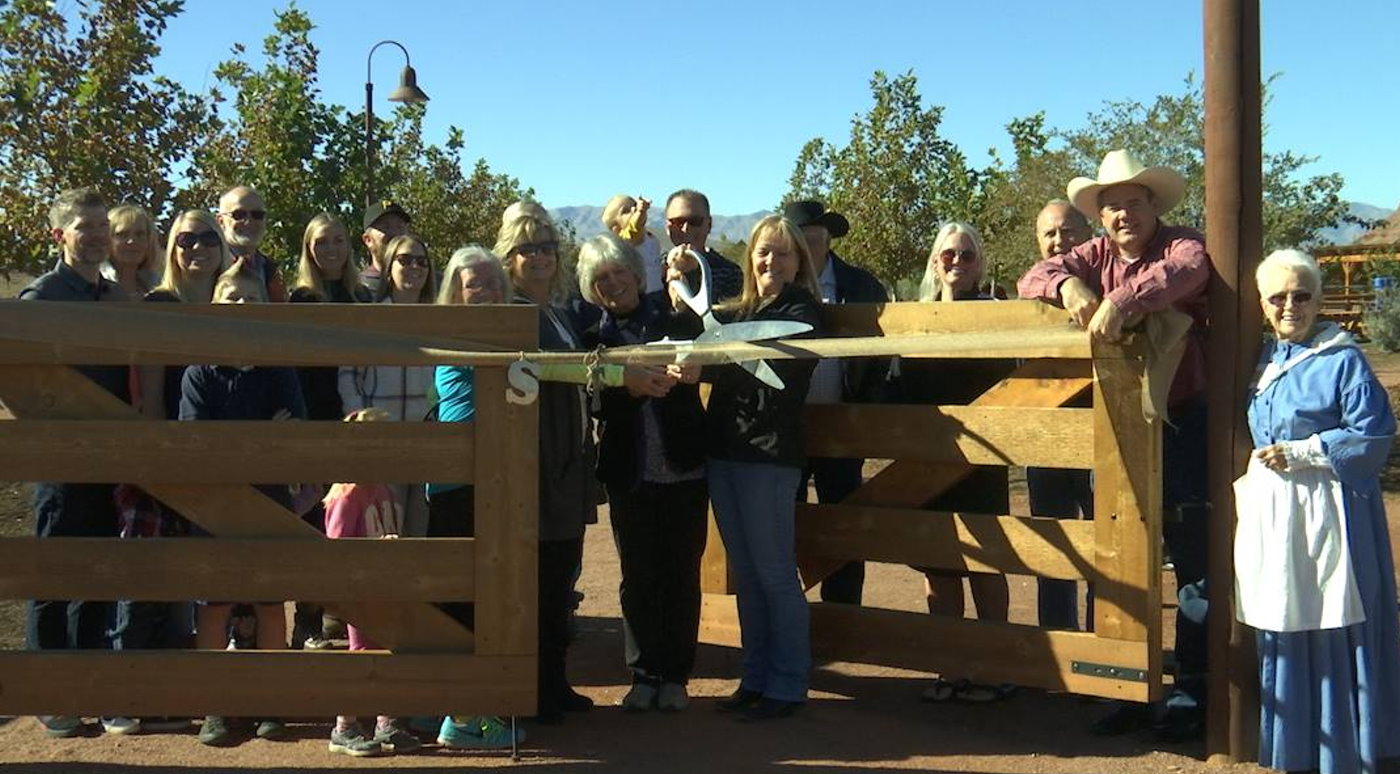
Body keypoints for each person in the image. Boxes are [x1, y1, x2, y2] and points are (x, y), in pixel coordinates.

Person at [1018, 149, 1211, 740]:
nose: (1123, 214)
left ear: (1153, 205)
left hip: (1181, 421)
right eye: (1112, 207)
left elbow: (1191, 271)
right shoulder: (1092, 255)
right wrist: (1073, 289)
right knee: (1122, 555)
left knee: (1193, 556)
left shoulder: (1180, 243)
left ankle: (1192, 690)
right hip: (1118, 427)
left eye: (1132, 202)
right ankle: (1126, 682)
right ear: (1099, 218)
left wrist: (1122, 301)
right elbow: (1034, 276)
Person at [1238, 249, 1400, 774]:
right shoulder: (1266, 357)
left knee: (1333, 619)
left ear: (1319, 298)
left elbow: (1374, 435)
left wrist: (1306, 451)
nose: (1290, 306)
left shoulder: (1341, 359)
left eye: (1301, 295)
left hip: (1333, 512)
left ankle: (1344, 753)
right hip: (1280, 513)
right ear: (1262, 304)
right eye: (1278, 297)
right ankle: (1298, 746)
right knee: (1286, 613)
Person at [684, 214, 823, 722]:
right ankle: (756, 676)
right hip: (724, 451)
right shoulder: (740, 310)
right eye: (764, 251)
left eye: (783, 253)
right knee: (747, 572)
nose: (771, 261)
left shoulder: (804, 311)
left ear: (798, 262)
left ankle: (788, 683)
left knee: (774, 573)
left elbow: (775, 371)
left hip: (770, 456)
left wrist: (716, 345)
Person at [577, 233, 707, 713]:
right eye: (602, 278)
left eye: (619, 272)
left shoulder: (678, 321)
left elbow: (708, 366)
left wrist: (696, 370)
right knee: (638, 577)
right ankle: (644, 674)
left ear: (636, 272)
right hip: (629, 474)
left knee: (680, 575)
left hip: (685, 470)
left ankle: (675, 676)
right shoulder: (594, 338)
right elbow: (592, 400)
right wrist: (624, 389)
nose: (613, 283)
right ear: (594, 289)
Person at [17, 187, 128, 739]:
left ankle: (87, 686)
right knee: (55, 579)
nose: (98, 235)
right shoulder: (42, 299)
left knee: (98, 577)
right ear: (60, 235)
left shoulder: (112, 297)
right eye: (85, 226)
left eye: (102, 225)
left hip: (110, 462)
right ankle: (50, 693)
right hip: (61, 465)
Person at [181, 265, 305, 747]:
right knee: (214, 608)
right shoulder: (198, 373)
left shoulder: (279, 370)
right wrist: (261, 438)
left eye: (248, 297)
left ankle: (270, 703)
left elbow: (294, 431)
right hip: (214, 509)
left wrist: (247, 442)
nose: (239, 305)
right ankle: (215, 706)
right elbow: (197, 440)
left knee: (272, 606)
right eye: (229, 296)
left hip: (271, 505)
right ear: (214, 305)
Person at [897, 221, 1016, 704]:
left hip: (985, 458)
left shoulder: (998, 315)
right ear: (934, 261)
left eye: (967, 256)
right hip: (930, 457)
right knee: (939, 566)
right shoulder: (917, 319)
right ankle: (951, 667)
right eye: (949, 254)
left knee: (987, 563)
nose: (957, 263)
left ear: (980, 264)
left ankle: (996, 667)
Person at [496, 211, 597, 724]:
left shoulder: (557, 312)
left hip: (568, 460)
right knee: (534, 580)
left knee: (560, 577)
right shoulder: (510, 313)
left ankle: (554, 682)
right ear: (509, 258)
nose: (538, 256)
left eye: (546, 247)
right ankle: (530, 688)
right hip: (534, 459)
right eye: (527, 248)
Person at [783, 199, 888, 606]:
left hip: (844, 425)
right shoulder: (776, 281)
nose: (811, 241)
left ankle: (843, 617)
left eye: (817, 233)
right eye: (802, 235)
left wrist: (865, 407)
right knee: (785, 523)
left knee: (843, 525)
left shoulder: (862, 285)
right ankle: (790, 618)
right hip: (787, 426)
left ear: (828, 238)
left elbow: (882, 355)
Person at [286, 212, 372, 651]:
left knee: (353, 517)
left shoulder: (362, 297)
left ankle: (353, 617)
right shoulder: (299, 299)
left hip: (356, 421)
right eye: (322, 241)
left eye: (339, 240)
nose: (332, 248)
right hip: (315, 420)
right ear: (310, 248)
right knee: (314, 521)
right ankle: (308, 620)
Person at [319, 407, 417, 757]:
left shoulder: (385, 490)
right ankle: (344, 726)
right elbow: (338, 551)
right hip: (359, 593)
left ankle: (386, 722)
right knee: (361, 657)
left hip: (385, 589)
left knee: (389, 652)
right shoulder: (347, 495)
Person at [1022, 200, 1095, 632]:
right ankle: (1061, 645)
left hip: (1101, 437)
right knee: (1053, 547)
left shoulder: (1105, 280)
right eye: (1049, 233)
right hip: (1045, 439)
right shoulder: (1035, 290)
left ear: (1086, 235)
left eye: (1067, 231)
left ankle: (1102, 650)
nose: (1057, 241)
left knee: (1105, 546)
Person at [337, 233, 435, 537]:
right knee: (382, 533)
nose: (414, 267)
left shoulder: (441, 319)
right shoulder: (372, 320)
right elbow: (348, 373)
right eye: (405, 260)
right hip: (380, 442)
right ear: (389, 266)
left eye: (422, 261)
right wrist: (360, 417)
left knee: (419, 534)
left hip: (427, 443)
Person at [662, 189, 744, 302]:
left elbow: (728, 316)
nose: (686, 229)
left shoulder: (729, 272)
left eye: (695, 221)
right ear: (667, 227)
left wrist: (692, 275)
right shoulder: (653, 270)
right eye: (678, 222)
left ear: (709, 225)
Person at [215, 185, 286, 302]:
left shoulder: (270, 271)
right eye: (239, 215)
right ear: (220, 221)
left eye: (257, 215)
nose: (248, 221)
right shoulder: (209, 265)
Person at [602, 194, 665, 292]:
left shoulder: (648, 237)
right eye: (625, 211)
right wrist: (640, 211)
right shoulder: (627, 239)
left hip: (660, 290)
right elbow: (635, 227)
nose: (633, 209)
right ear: (616, 229)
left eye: (634, 205)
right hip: (646, 296)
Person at [105, 204, 163, 299]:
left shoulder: (159, 288)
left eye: (140, 234)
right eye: (122, 234)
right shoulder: (94, 286)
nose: (132, 241)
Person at [359, 199, 412, 297]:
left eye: (400, 226)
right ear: (368, 240)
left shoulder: (427, 284)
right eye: (386, 227)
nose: (395, 233)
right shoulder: (358, 289)